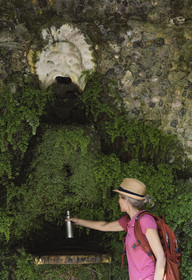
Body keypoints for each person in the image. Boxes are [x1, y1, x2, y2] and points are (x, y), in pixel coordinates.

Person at [66, 178, 166, 280]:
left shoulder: (145, 220)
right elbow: (104, 226)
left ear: (126, 199)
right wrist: (78, 221)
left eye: (119, 198)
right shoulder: (129, 221)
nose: (118, 201)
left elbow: (161, 256)